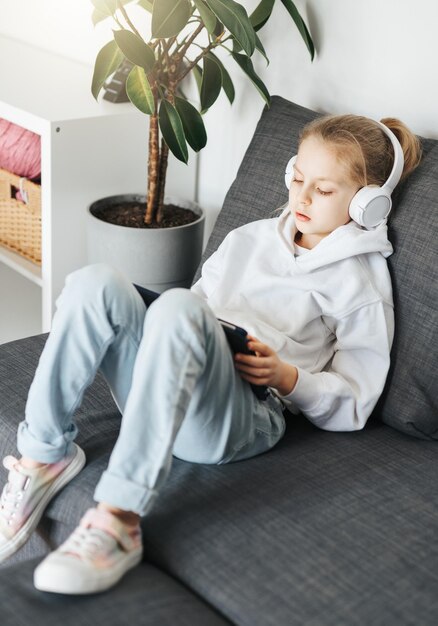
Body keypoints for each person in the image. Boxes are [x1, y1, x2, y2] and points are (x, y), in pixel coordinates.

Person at [0, 113, 421, 594]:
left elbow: (357, 401)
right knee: (96, 281)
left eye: (323, 191)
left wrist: (287, 377)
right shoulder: (252, 238)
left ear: (368, 204)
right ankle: (43, 456)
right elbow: (193, 315)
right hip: (170, 380)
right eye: (298, 178)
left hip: (246, 414)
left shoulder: (360, 284)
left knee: (179, 305)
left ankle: (118, 518)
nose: (301, 197)